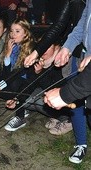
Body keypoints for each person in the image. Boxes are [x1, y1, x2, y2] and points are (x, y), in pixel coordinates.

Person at [44, 0, 91, 164]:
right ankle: (81, 143)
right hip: (82, 55)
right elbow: (82, 26)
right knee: (78, 101)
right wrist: (67, 47)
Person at [0, 18, 35, 131]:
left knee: (12, 84)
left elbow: (19, 73)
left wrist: (1, 85)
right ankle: (22, 106)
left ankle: (20, 117)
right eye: (12, 31)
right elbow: (6, 73)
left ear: (25, 34)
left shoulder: (31, 48)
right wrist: (8, 54)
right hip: (13, 78)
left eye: (17, 31)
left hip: (28, 82)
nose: (13, 34)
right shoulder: (13, 46)